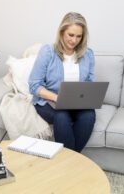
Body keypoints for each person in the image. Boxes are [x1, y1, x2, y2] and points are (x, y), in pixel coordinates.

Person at [28, 12, 96, 152]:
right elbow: (34, 85)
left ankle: (69, 162)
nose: (74, 40)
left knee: (89, 115)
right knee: (62, 116)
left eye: (79, 36)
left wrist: (87, 97)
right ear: (62, 32)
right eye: (71, 35)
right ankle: (74, 163)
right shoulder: (48, 52)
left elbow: (89, 82)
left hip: (76, 102)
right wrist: (57, 98)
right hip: (49, 101)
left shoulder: (87, 54)